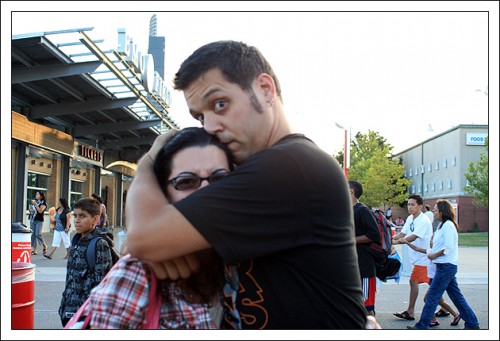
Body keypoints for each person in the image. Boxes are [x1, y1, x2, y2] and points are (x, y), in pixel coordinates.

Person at [125, 40, 369, 329]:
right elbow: (139, 242)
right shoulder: (258, 169)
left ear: (265, 90)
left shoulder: (290, 168)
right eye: (201, 116)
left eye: (220, 104)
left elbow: (141, 238)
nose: (209, 126)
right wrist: (158, 248)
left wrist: (151, 158)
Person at [85, 127, 235, 329]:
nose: (206, 192)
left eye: (219, 178)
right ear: (164, 194)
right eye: (187, 181)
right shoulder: (138, 271)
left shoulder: (241, 258)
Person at [407, 199, 480, 330]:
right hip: (443, 266)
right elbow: (436, 247)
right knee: (456, 297)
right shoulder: (441, 226)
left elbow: (448, 248)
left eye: (435, 209)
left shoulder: (448, 226)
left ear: (442, 212)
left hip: (446, 266)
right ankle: (472, 323)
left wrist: (433, 255)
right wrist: (426, 250)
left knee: (432, 296)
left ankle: (422, 325)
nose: (433, 211)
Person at [58, 197, 113, 327]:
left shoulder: (99, 244)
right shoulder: (76, 242)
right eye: (75, 215)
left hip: (86, 315)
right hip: (68, 311)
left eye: (82, 216)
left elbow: (102, 284)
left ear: (96, 219)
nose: (77, 220)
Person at [401, 228, 459, 328]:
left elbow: (445, 257)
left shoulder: (436, 254)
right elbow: (416, 248)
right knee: (435, 300)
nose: (431, 242)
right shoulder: (430, 251)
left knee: (429, 299)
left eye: (433, 240)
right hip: (433, 280)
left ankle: (454, 315)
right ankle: (435, 319)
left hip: (437, 280)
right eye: (431, 240)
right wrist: (406, 242)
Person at [392, 194, 433, 321]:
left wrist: (397, 242)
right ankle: (445, 310)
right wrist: (391, 239)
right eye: (408, 204)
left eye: (412, 205)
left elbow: (413, 236)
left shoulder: (424, 220)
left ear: (420, 206)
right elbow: (403, 233)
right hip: (417, 257)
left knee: (414, 281)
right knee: (433, 286)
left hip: (424, 257)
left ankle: (410, 311)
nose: (410, 207)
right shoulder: (410, 218)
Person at [348, 180, 380, 317]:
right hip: (353, 266)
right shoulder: (349, 210)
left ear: (351, 191)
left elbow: (374, 234)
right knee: (356, 306)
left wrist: (351, 240)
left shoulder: (362, 210)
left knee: (367, 308)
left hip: (365, 266)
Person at [29, 190, 48, 256]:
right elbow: (32, 210)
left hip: (39, 220)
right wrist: (31, 210)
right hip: (33, 219)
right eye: (36, 194)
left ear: (41, 196)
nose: (36, 195)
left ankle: (44, 245)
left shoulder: (44, 203)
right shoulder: (35, 202)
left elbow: (40, 211)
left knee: (38, 233)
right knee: (33, 234)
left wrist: (36, 204)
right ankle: (34, 250)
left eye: (37, 194)